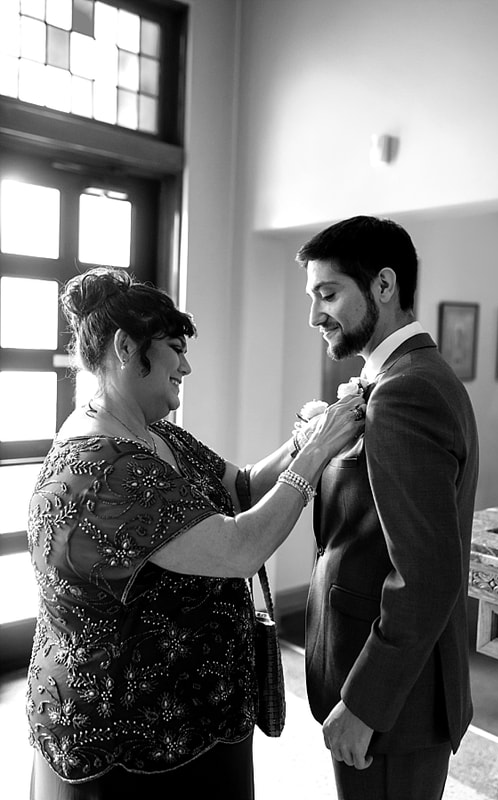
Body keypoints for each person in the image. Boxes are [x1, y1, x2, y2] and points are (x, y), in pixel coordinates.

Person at [26, 267, 365, 800]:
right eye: (174, 349)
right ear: (124, 347)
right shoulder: (103, 468)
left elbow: (243, 488)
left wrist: (304, 439)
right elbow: (239, 547)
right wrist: (319, 457)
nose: (186, 365)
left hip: (194, 724)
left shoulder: (153, 433)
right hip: (132, 746)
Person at [296, 216, 480, 800]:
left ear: (383, 286)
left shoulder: (407, 391)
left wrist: (366, 702)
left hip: (393, 700)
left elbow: (427, 573)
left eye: (329, 294)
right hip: (372, 672)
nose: (315, 315)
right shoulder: (394, 377)